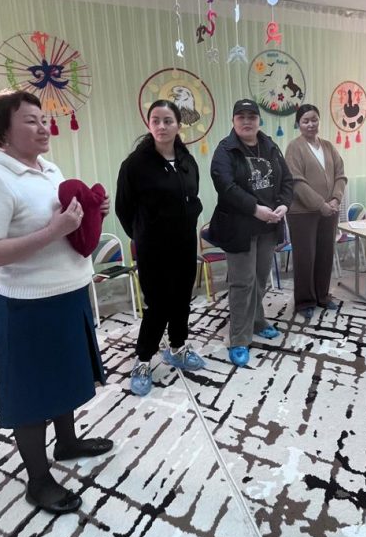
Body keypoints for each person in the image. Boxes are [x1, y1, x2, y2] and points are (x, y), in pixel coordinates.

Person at [0, 90, 113, 515]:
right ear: (1, 132)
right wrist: (53, 230)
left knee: (65, 378)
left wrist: (93, 212)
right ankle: (38, 480)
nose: (44, 127)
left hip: (69, 293)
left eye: (44, 119)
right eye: (31, 121)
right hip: (27, 305)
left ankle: (67, 443)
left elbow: (68, 227)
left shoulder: (49, 170)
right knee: (31, 395)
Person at [115, 100, 205, 396]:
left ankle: (177, 347)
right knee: (158, 305)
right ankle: (143, 359)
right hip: (153, 248)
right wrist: (141, 236)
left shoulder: (187, 160)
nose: (162, 126)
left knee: (181, 299)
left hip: (184, 243)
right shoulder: (135, 165)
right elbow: (123, 208)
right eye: (156, 120)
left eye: (168, 121)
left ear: (178, 125)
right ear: (149, 124)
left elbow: (193, 195)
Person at [209, 99, 294, 367]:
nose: (247, 121)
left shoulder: (270, 146)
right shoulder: (225, 150)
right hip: (239, 227)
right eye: (241, 117)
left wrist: (283, 204)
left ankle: (257, 321)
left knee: (259, 280)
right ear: (233, 121)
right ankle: (238, 338)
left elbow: (287, 180)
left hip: (268, 226)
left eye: (252, 116)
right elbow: (225, 186)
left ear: (259, 120)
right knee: (242, 283)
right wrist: (255, 209)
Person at [284, 103, 347, 322]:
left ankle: (322, 296)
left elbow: (341, 175)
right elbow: (296, 182)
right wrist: (321, 204)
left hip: (329, 211)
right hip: (302, 214)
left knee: (325, 255)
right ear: (298, 124)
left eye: (314, 119)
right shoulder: (294, 148)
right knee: (305, 257)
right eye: (305, 121)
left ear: (319, 121)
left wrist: (335, 199)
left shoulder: (328, 146)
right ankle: (305, 301)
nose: (311, 124)